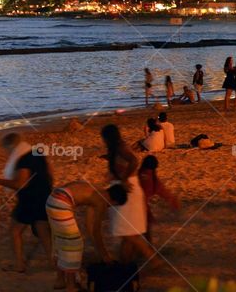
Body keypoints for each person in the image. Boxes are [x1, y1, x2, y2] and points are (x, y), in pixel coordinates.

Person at [0, 136, 54, 274]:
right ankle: (54, 263)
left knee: (15, 231)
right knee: (44, 232)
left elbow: (21, 183)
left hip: (29, 200)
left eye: (6, 150)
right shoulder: (38, 153)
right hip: (44, 196)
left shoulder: (22, 160)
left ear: (11, 147)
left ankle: (19, 264)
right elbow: (50, 174)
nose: (6, 153)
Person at [46, 181, 125, 292]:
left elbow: (89, 226)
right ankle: (71, 286)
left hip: (52, 199)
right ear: (114, 201)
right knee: (74, 245)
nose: (109, 207)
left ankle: (60, 280)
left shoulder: (98, 191)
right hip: (61, 202)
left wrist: (100, 250)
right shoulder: (102, 201)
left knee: (63, 241)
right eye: (113, 206)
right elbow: (96, 231)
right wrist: (105, 255)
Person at [101, 124, 155, 263]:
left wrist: (124, 179)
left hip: (128, 189)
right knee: (127, 232)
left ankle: (152, 259)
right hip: (126, 187)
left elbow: (134, 161)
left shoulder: (120, 147)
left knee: (127, 232)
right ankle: (126, 263)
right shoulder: (116, 148)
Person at [138, 155, 179, 243]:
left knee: (141, 232)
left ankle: (147, 249)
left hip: (134, 206)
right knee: (141, 233)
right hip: (139, 207)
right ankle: (148, 250)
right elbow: (161, 190)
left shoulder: (139, 174)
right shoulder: (150, 177)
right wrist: (172, 200)